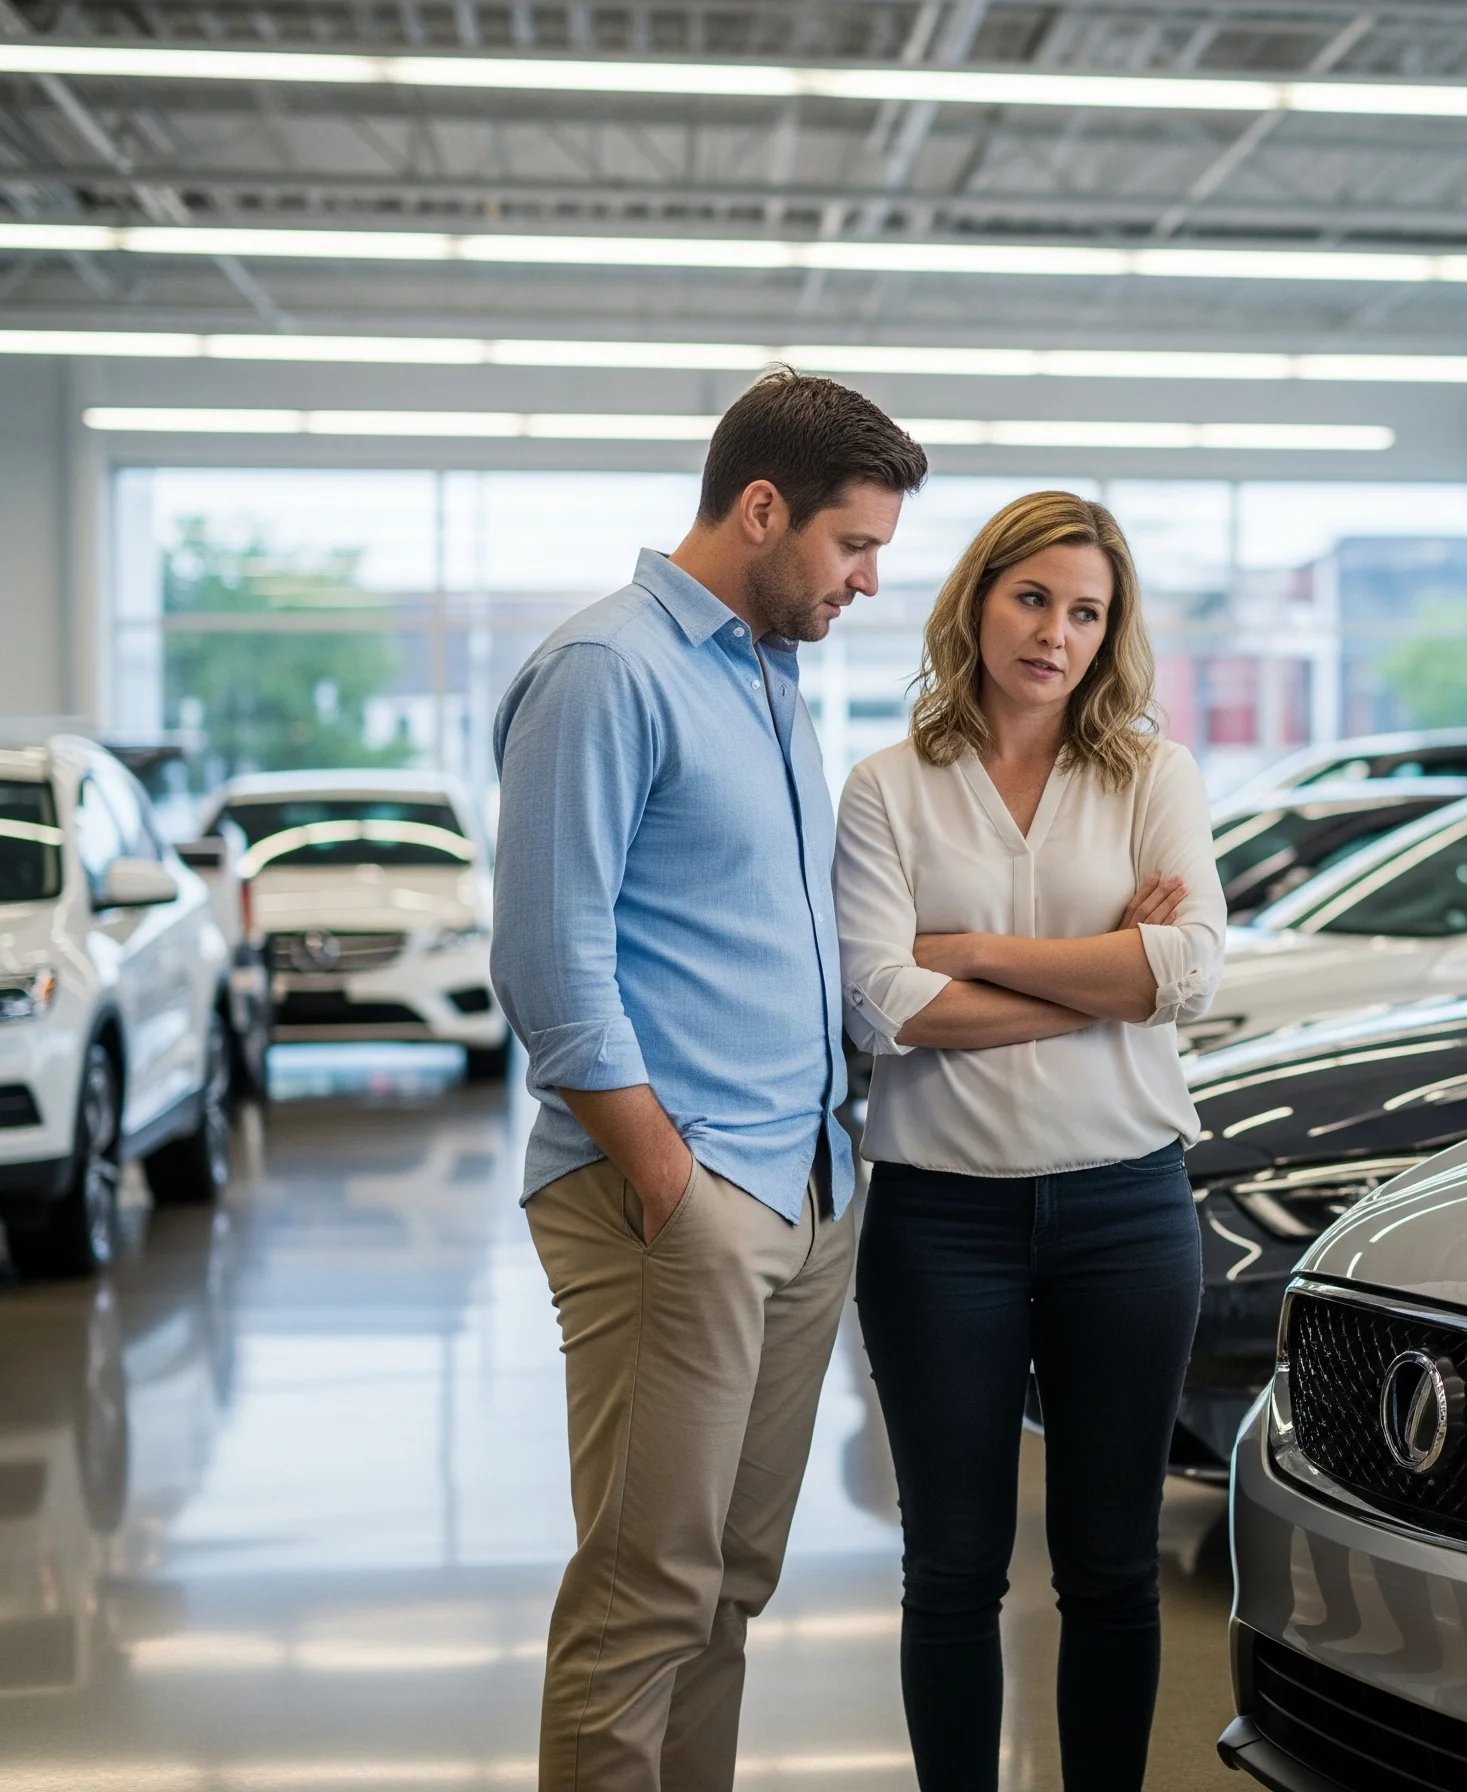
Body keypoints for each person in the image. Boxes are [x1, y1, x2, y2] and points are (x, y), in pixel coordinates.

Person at [490, 368, 928, 1792]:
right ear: (760, 509)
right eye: (852, 544)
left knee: (728, 1588)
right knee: (644, 1596)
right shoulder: (609, 668)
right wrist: (669, 1180)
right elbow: (550, 959)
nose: (867, 580)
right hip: (675, 1193)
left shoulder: (762, 674)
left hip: (798, 1183)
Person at [833, 489, 1224, 1792]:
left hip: (1128, 1208)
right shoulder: (887, 789)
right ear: (980, 600)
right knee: (950, 1567)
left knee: (1112, 1567)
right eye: (1033, 597)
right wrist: (1097, 972)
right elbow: (886, 1001)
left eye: (1086, 611)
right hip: (941, 1220)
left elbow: (1185, 973)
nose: (1056, 631)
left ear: (1112, 635)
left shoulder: (1151, 776)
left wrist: (979, 956)